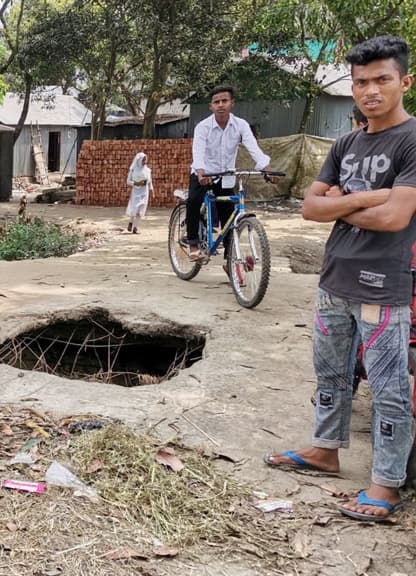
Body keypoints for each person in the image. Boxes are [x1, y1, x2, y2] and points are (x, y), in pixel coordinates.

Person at [265, 35, 416, 523]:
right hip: (335, 279)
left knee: (389, 388)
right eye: (360, 83)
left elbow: (396, 218)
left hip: (382, 285)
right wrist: (369, 197)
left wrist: (343, 201)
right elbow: (310, 207)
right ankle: (325, 451)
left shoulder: (412, 141)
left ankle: (386, 484)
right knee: (331, 374)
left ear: (404, 82)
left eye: (381, 80)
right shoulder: (347, 142)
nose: (370, 90)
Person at [187, 85, 272, 260]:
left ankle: (230, 260)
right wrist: (201, 172)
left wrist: (266, 169)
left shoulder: (240, 125)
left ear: (232, 103)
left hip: (226, 175)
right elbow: (198, 151)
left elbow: (253, 148)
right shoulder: (203, 127)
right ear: (211, 106)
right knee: (193, 202)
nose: (220, 105)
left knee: (228, 214)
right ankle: (193, 243)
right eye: (216, 102)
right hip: (204, 173)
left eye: (224, 101)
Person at [125, 152, 152, 234]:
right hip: (136, 192)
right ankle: (131, 222)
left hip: (144, 192)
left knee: (141, 210)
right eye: (143, 160)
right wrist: (136, 183)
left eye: (145, 160)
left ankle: (136, 228)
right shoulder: (133, 170)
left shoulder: (147, 170)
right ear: (139, 160)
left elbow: (150, 181)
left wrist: (151, 190)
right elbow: (128, 181)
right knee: (135, 208)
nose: (145, 162)